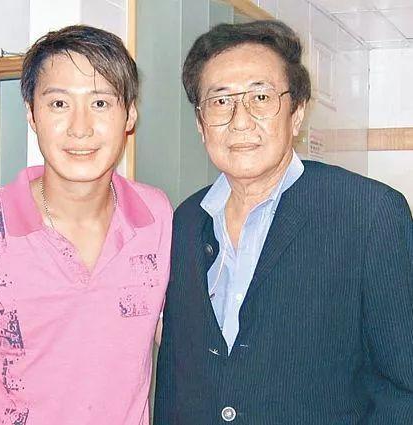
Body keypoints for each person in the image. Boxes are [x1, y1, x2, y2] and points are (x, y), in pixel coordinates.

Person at [0, 25, 172, 425]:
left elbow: (175, 342)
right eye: (59, 103)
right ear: (31, 114)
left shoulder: (157, 216)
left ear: (130, 114)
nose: (80, 128)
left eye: (100, 103)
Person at [154, 20, 413, 424]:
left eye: (261, 97)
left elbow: (403, 388)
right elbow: (176, 376)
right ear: (200, 124)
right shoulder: (184, 222)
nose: (240, 121)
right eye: (220, 101)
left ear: (296, 113)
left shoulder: (369, 213)